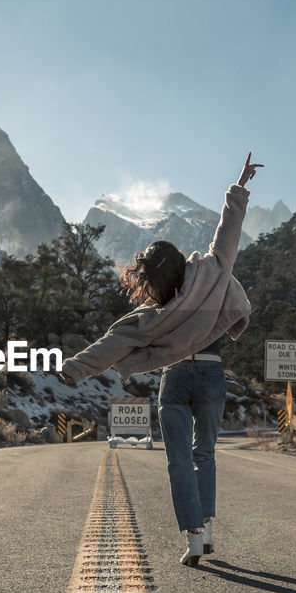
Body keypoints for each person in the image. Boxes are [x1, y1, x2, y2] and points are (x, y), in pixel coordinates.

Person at [58, 153, 262, 567]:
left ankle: (192, 538)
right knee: (205, 454)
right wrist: (238, 187)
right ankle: (207, 530)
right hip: (211, 375)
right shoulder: (212, 270)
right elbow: (229, 230)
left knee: (179, 462)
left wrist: (73, 369)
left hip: (176, 381)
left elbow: (109, 345)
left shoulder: (150, 316)